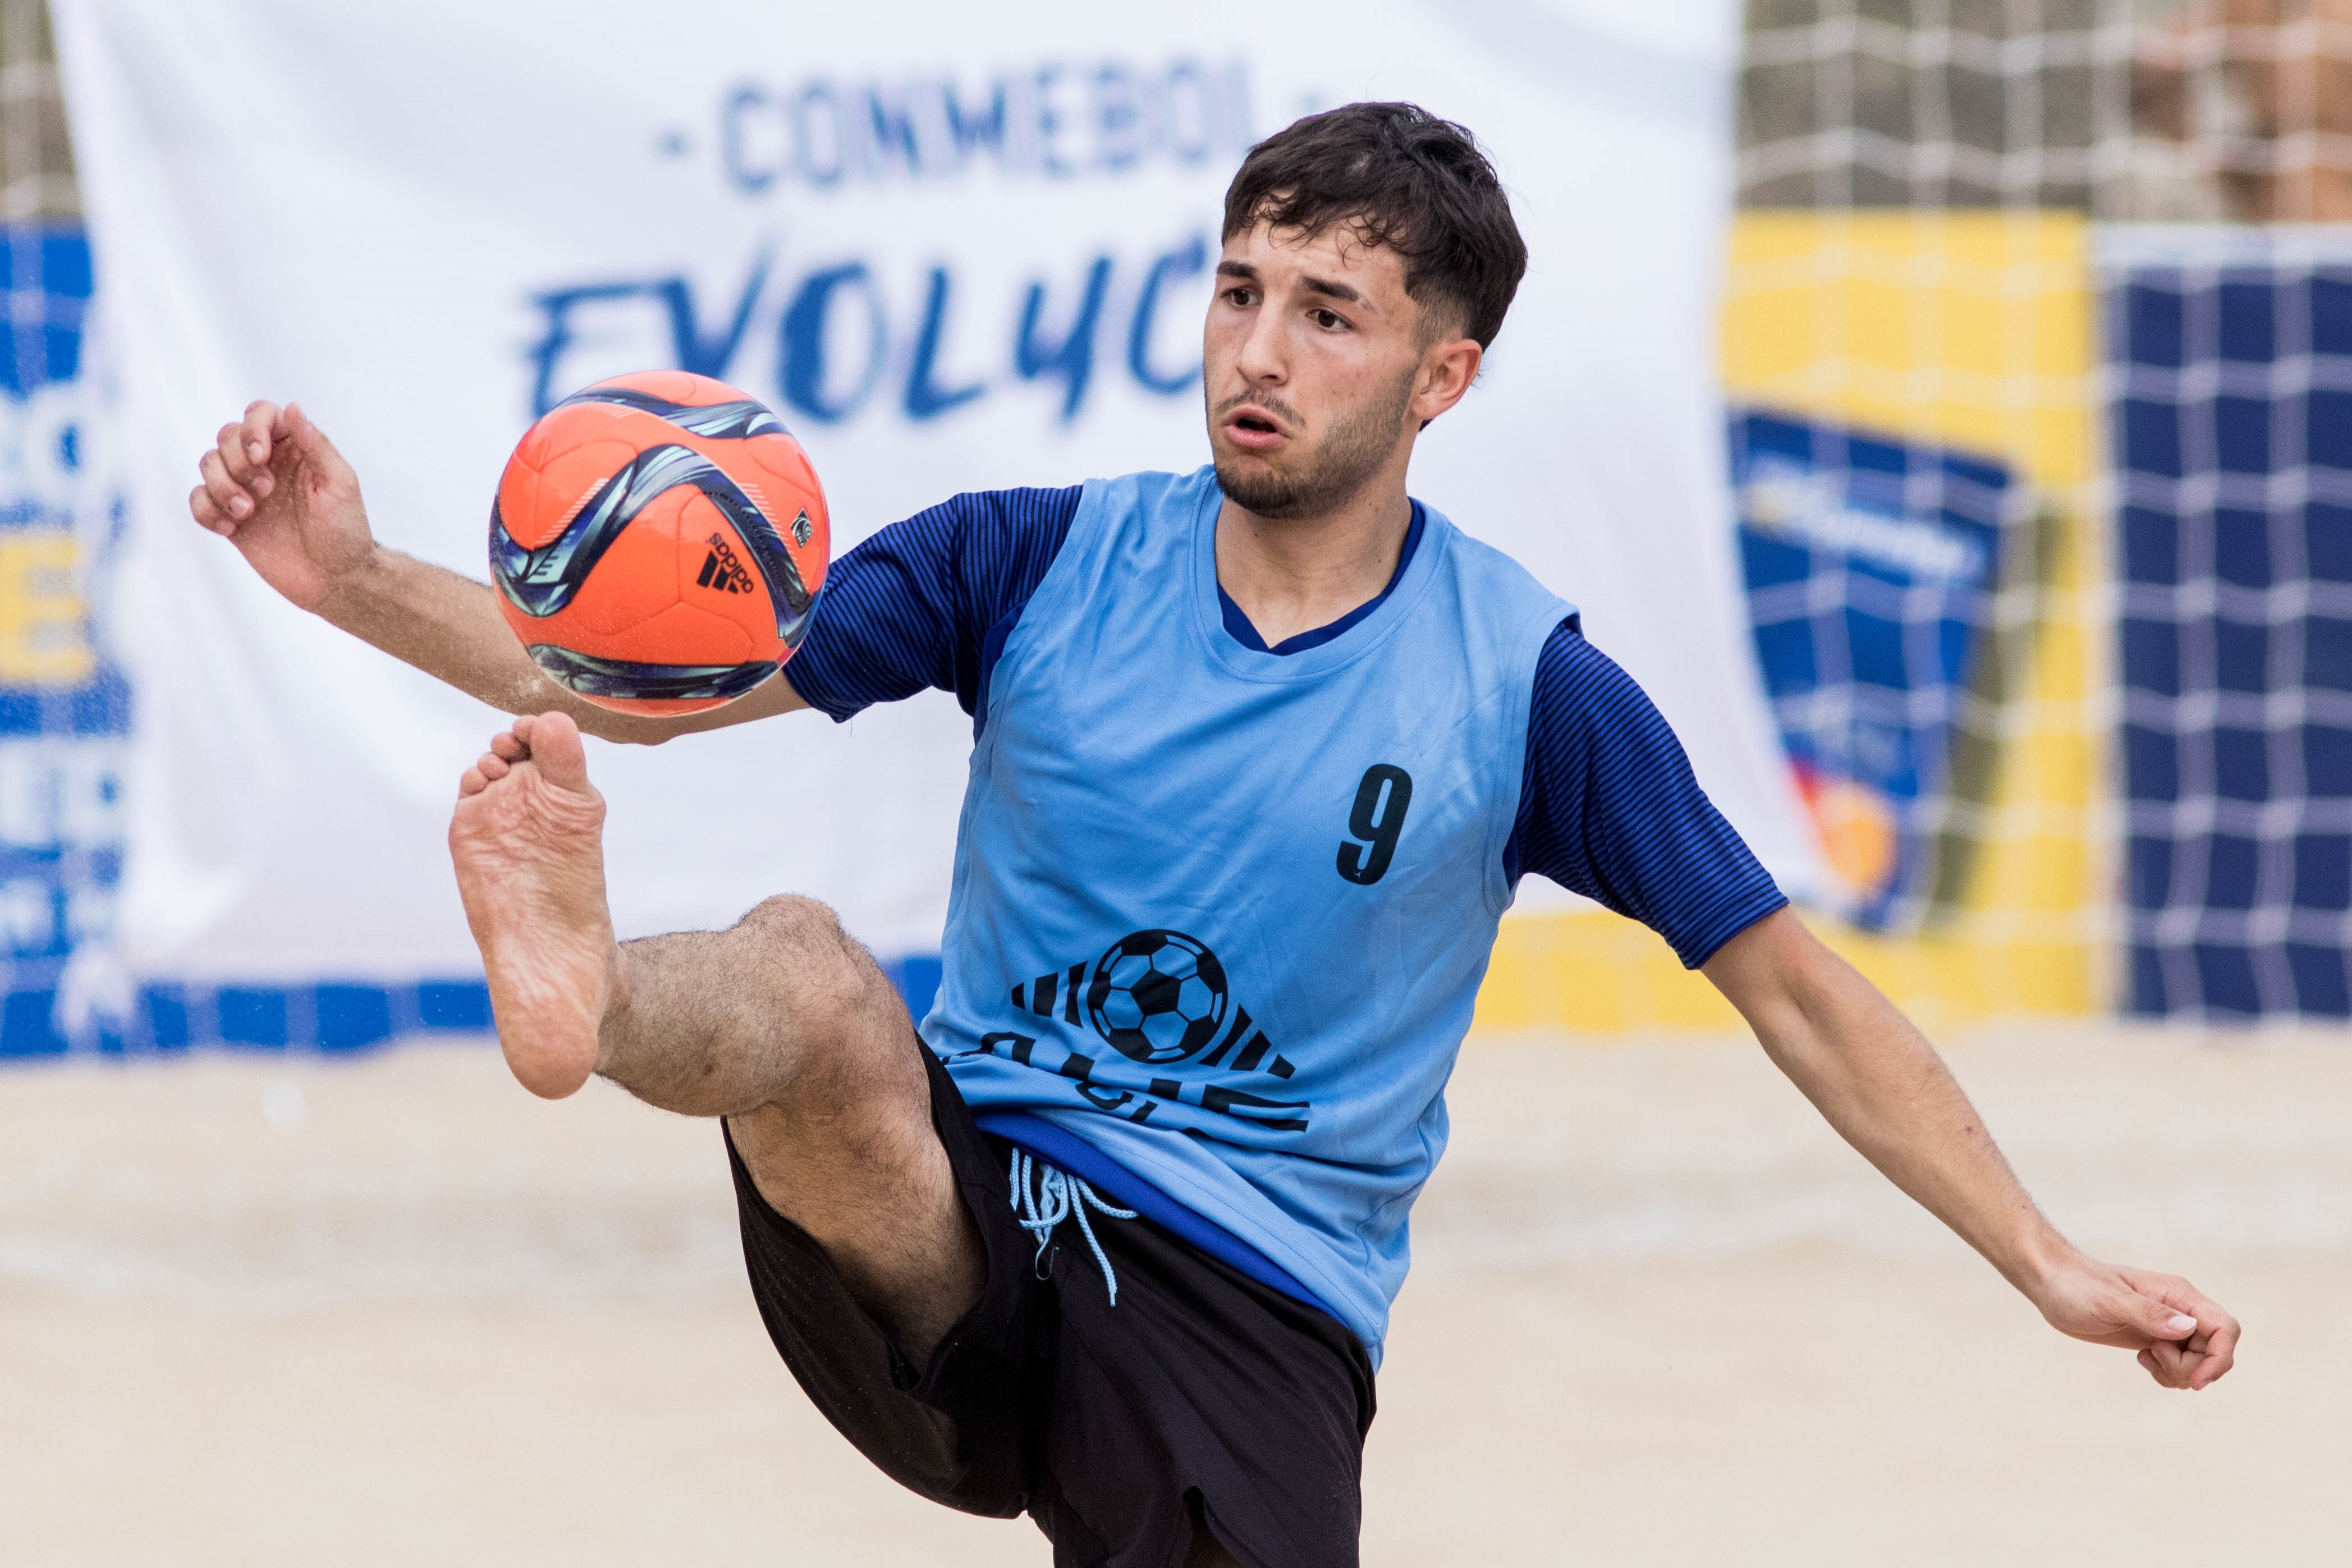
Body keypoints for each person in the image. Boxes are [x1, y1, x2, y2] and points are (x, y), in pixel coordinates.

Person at [187, 103, 2238, 1568]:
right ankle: (588, 990)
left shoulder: (1525, 687)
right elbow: (631, 680)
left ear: (1444, 374)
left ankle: (615, 987)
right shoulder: (1038, 559)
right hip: (951, 1205)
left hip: (1246, 1283)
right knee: (811, 974)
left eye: (1327, 314)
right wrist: (351, 573)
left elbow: (1798, 992)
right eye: (1240, 289)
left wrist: (2048, 1261)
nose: (1257, 349)